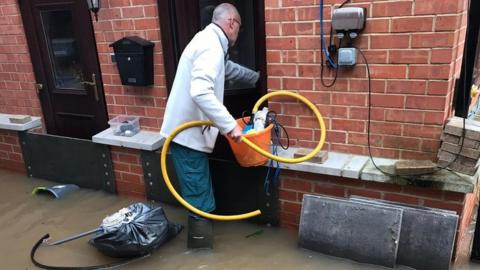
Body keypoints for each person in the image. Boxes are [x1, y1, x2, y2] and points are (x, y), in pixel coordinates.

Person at [159, 3, 260, 248]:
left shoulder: (207, 41)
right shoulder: (210, 46)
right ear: (232, 23)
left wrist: (255, 77)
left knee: (199, 193)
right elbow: (201, 91)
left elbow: (224, 69)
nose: (238, 33)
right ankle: (200, 256)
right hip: (187, 136)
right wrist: (230, 127)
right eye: (239, 27)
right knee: (199, 200)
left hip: (190, 135)